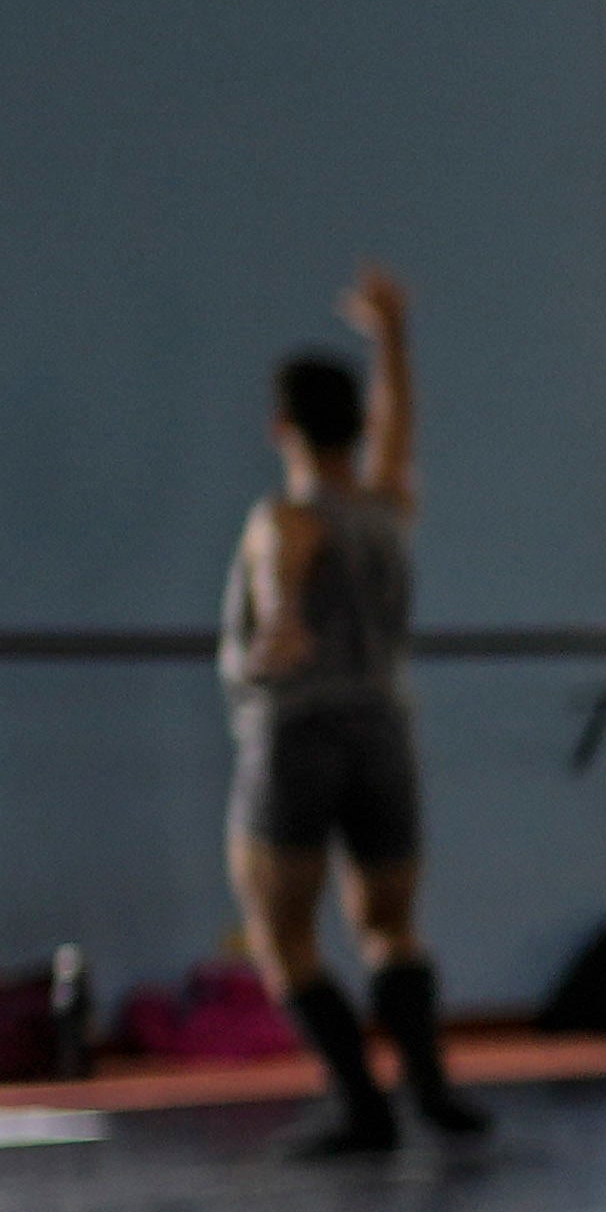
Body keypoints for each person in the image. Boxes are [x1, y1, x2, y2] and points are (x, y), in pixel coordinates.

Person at [225, 268, 481, 1162]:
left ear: (281, 429)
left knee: (280, 930)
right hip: (382, 730)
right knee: (390, 923)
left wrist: (284, 619)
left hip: (299, 732)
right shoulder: (385, 508)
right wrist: (393, 336)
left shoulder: (287, 514)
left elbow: (282, 553)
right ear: (354, 427)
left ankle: (361, 1103)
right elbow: (398, 435)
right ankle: (431, 1088)